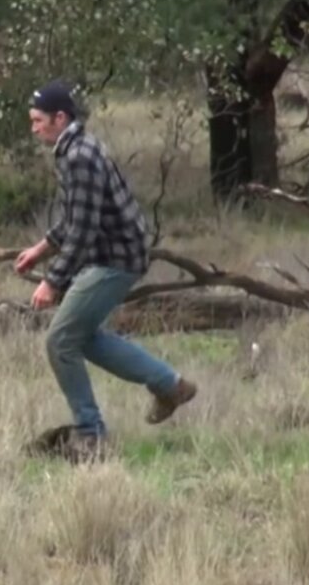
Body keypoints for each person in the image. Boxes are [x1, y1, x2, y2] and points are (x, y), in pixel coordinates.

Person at [14, 79, 197, 460]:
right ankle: (170, 385)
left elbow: (83, 230)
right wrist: (41, 249)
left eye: (37, 121)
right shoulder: (74, 149)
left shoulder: (79, 156)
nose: (33, 128)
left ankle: (91, 435)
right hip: (111, 256)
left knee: (60, 340)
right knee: (81, 337)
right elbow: (73, 219)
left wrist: (52, 280)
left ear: (59, 118)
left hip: (115, 259)